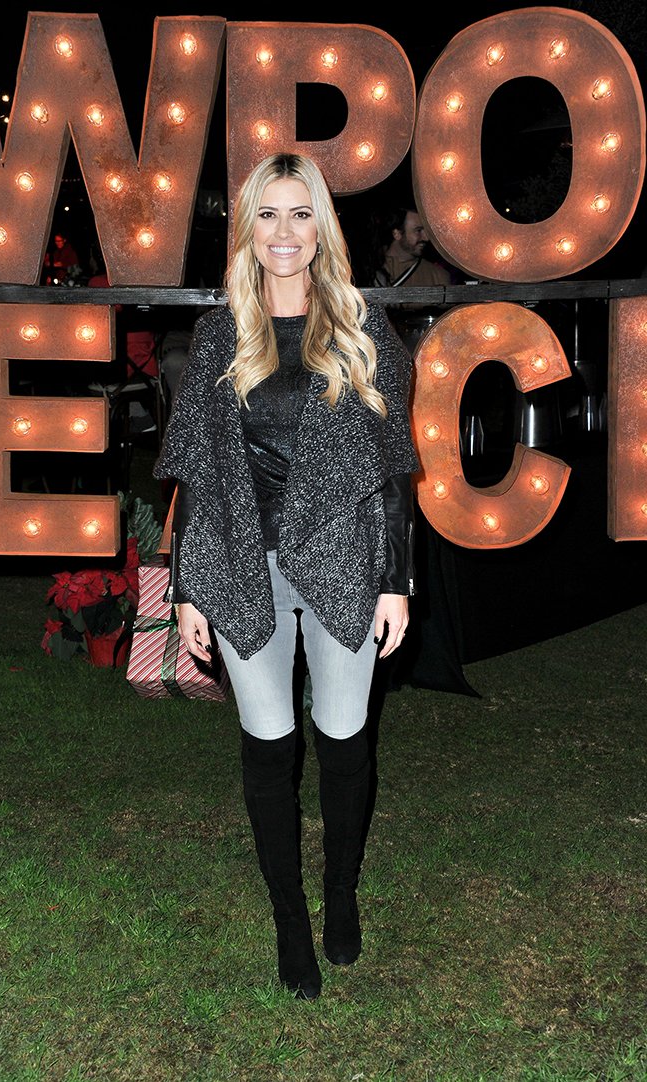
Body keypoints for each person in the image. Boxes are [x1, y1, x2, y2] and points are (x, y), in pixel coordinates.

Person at [154, 153, 418, 1000]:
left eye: (300, 214)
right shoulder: (218, 334)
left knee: (343, 739)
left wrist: (395, 581)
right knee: (269, 747)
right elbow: (195, 471)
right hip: (242, 564)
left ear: (322, 229)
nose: (282, 233)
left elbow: (392, 469)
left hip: (343, 555)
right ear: (246, 229)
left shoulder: (365, 330)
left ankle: (341, 892)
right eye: (266, 215)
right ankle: (290, 922)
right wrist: (187, 589)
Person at [374, 207, 451, 291]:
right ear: (397, 234)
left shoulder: (438, 277)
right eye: (418, 230)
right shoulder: (369, 270)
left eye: (427, 231)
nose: (426, 238)